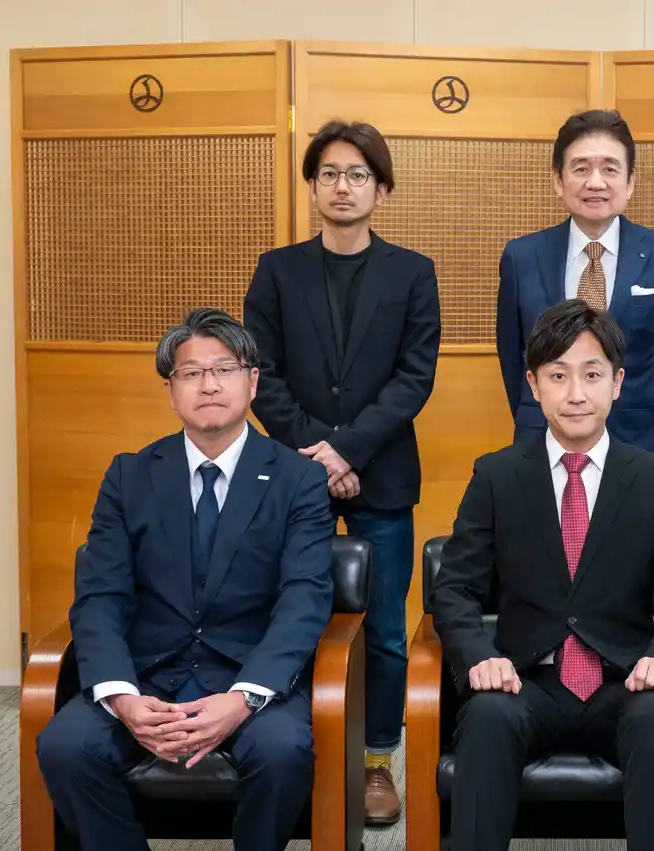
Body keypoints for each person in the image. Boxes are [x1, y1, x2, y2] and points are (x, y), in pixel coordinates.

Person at [34, 308, 335, 851]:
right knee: (65, 746)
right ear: (171, 391)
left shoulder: (299, 479)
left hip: (246, 675)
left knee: (282, 751)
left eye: (224, 369)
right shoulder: (129, 475)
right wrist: (123, 697)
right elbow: (100, 596)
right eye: (192, 373)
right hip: (148, 676)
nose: (209, 385)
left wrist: (243, 697)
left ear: (253, 382)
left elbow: (304, 598)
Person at [432, 298, 654, 851]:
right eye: (558, 376)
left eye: (592, 375)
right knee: (485, 717)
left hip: (624, 680)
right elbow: (455, 588)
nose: (576, 394)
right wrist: (479, 656)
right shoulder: (497, 476)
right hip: (523, 681)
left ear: (618, 383)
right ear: (533, 386)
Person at [243, 119, 440, 824]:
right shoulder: (277, 270)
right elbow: (259, 373)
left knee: (382, 628)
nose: (343, 186)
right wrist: (317, 452)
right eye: (329, 173)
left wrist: (347, 450)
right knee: (287, 615)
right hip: (293, 475)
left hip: (381, 475)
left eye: (358, 174)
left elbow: (414, 377)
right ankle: (295, 751)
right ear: (312, 186)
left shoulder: (413, 272)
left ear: (381, 189)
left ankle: (376, 762)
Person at [496, 109, 654, 455]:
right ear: (559, 181)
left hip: (635, 441)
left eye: (610, 169)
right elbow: (513, 358)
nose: (596, 182)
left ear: (630, 182)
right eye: (581, 168)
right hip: (541, 441)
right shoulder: (521, 256)